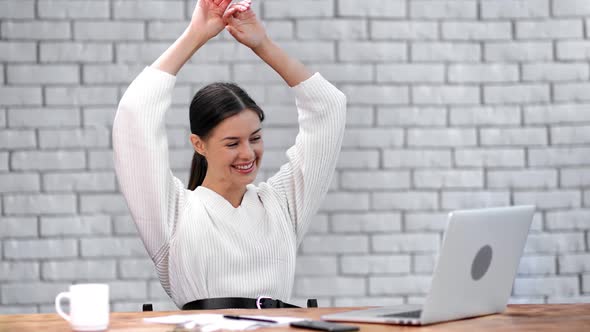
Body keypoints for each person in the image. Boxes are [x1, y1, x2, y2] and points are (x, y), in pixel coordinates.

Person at [113, 0, 346, 309]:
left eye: (256, 138)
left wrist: (263, 45)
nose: (247, 153)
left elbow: (329, 108)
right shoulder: (173, 214)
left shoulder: (282, 204)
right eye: (232, 143)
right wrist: (196, 35)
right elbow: (135, 113)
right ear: (199, 144)